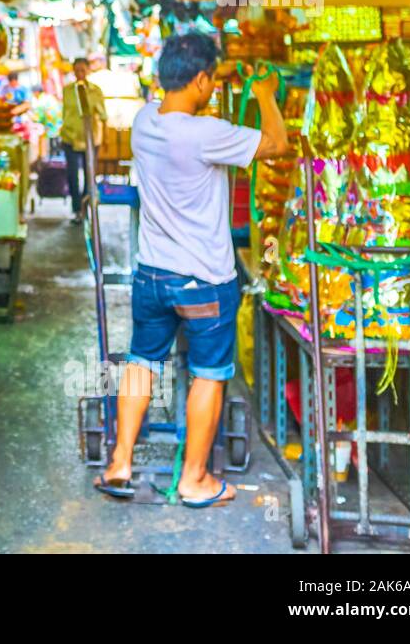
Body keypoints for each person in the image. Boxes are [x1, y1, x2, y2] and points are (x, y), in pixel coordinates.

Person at [94, 33, 289, 507]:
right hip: (203, 280)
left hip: (152, 277)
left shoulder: (144, 122)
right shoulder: (207, 133)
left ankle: (120, 463)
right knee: (209, 373)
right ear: (201, 80)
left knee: (141, 363)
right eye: (212, 79)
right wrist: (265, 97)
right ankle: (194, 479)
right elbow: (278, 144)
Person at [59, 58, 106, 224]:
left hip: (90, 139)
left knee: (89, 174)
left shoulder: (95, 91)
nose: (79, 73)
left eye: (82, 70)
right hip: (70, 138)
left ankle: (86, 207)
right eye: (76, 70)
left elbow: (102, 115)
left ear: (88, 71)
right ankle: (76, 208)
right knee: (72, 174)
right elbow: (65, 113)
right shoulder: (67, 91)